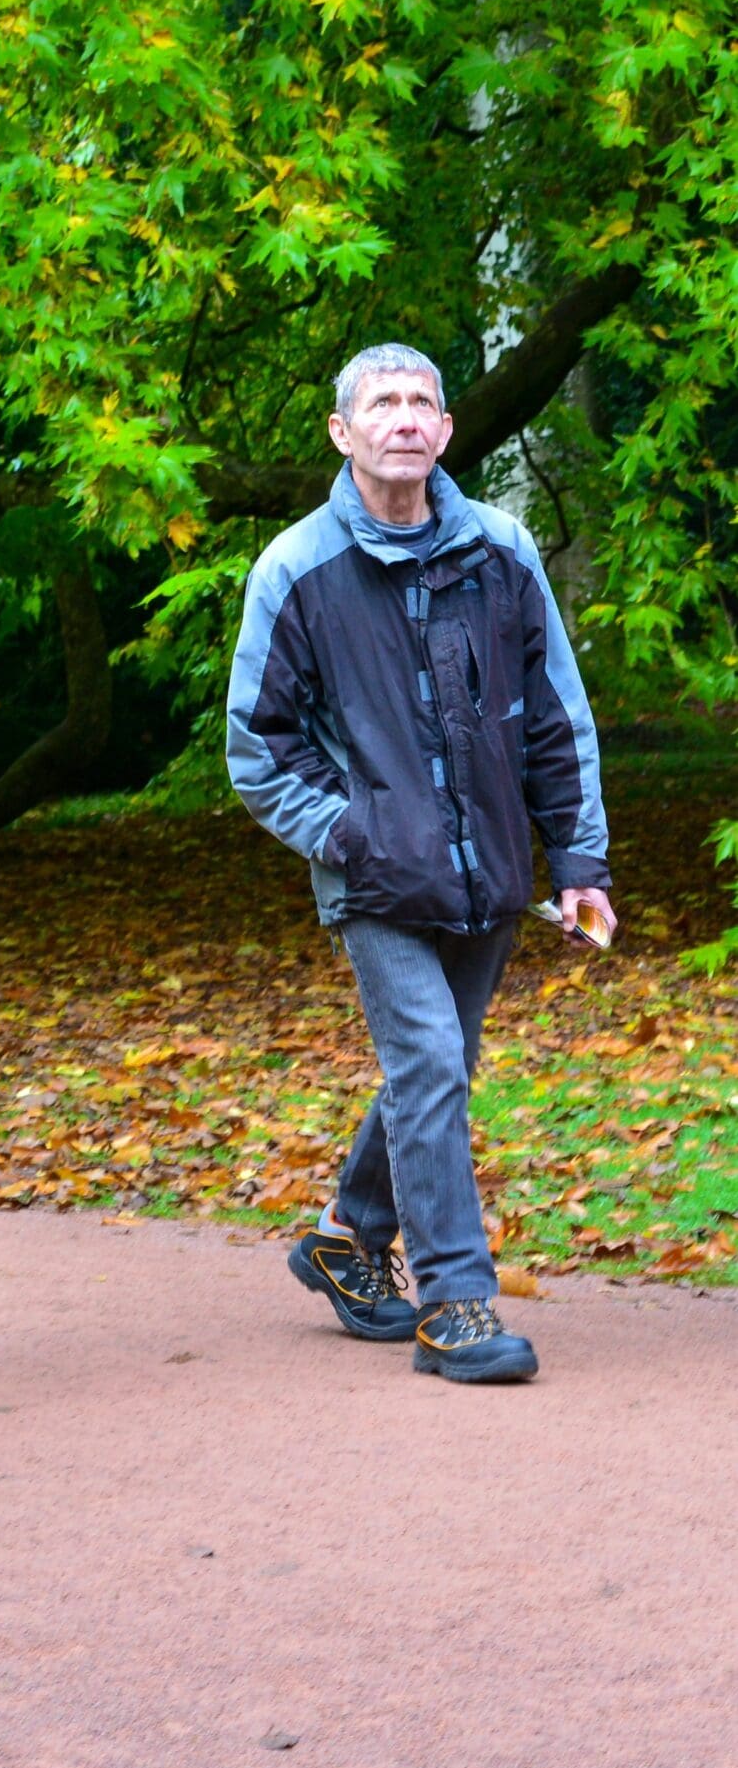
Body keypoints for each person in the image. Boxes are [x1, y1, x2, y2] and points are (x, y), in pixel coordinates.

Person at [227, 342, 615, 1384]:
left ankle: (348, 1235)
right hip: (375, 878)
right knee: (431, 1065)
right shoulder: (296, 569)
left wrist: (579, 861)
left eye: (421, 402)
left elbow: (553, 718)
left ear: (445, 431)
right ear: (342, 433)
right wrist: (351, 830)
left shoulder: (502, 548)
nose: (403, 417)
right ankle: (455, 1301)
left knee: (434, 1068)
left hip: (489, 870)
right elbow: (255, 747)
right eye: (380, 403)